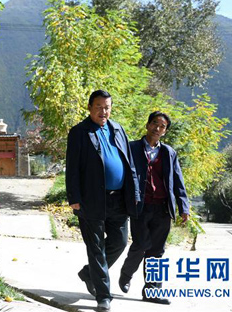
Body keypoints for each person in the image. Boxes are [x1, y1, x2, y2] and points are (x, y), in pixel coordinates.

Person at [66, 90, 140, 311]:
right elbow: (72, 168)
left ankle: (90, 273)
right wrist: (74, 198)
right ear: (89, 107)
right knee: (96, 248)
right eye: (98, 107)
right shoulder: (79, 132)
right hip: (91, 199)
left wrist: (135, 193)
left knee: (119, 241)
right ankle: (103, 295)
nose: (103, 111)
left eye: (107, 107)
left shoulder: (118, 129)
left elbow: (129, 164)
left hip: (118, 199)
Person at [119, 111, 190, 305]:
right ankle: (126, 274)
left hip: (162, 208)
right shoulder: (132, 148)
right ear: (147, 125)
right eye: (154, 123)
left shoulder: (169, 153)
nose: (157, 128)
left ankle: (152, 291)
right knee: (141, 244)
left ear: (165, 131)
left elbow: (178, 181)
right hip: (140, 206)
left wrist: (183, 207)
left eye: (162, 126)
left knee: (157, 251)